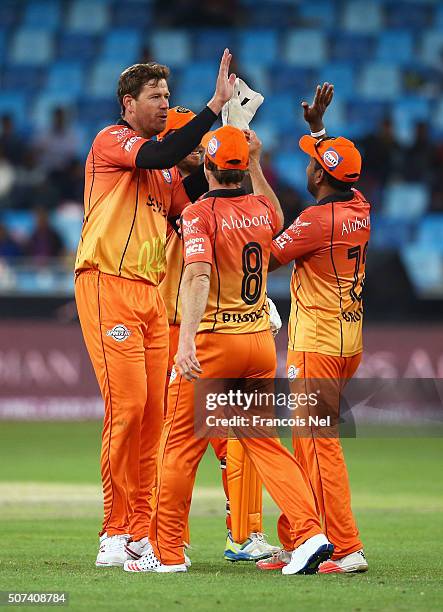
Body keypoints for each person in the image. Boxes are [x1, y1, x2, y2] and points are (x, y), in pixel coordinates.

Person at [124, 125, 333, 574]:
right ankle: (310, 532)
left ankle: (166, 555)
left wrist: (185, 342)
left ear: (211, 166)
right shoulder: (260, 207)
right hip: (258, 343)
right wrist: (258, 162)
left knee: (178, 448)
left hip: (214, 343)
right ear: (240, 168)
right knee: (265, 445)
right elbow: (278, 217)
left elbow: (197, 277)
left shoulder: (200, 214)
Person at [74, 50, 236, 568]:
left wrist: (226, 158)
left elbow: (193, 201)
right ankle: (113, 529)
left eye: (168, 96)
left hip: (149, 295)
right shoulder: (111, 142)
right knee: (125, 410)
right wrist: (212, 109)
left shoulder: (162, 171)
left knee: (153, 416)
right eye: (156, 97)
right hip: (106, 283)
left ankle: (141, 529)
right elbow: (160, 156)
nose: (166, 104)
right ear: (129, 103)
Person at [157, 107, 279, 563]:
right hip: (178, 327)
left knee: (226, 443)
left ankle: (241, 533)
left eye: (199, 136)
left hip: (208, 329)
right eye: (184, 137)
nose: (196, 142)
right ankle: (170, 539)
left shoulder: (201, 197)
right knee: (177, 441)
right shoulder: (169, 190)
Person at [257, 84, 369, 574]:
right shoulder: (359, 207)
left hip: (317, 345)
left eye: (312, 160)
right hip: (348, 342)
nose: (306, 166)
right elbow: (343, 173)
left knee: (319, 446)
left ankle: (347, 549)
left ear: (321, 175)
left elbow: (264, 260)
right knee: (307, 443)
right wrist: (318, 130)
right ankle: (306, 539)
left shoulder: (315, 220)